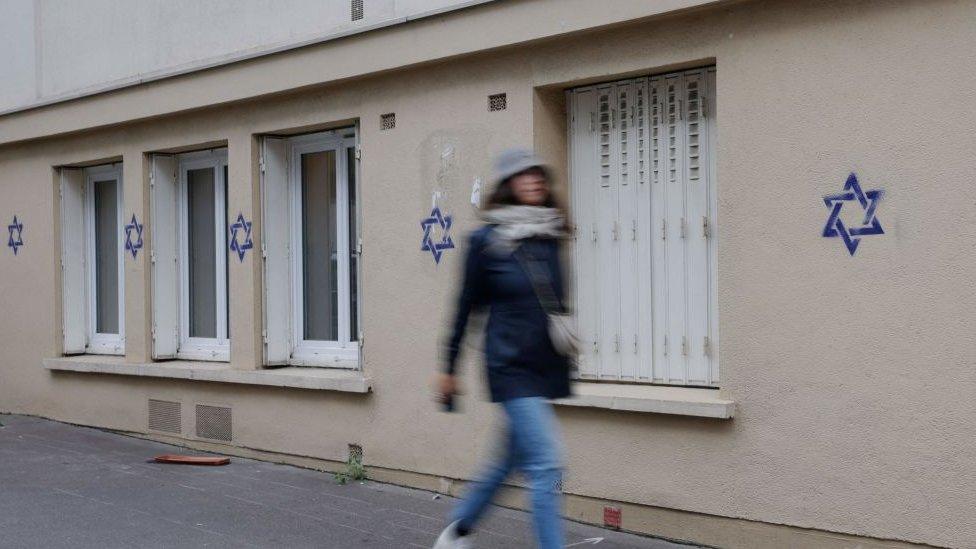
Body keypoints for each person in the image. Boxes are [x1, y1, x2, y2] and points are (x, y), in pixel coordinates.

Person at [433, 149, 572, 549]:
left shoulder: (549, 236)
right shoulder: (485, 241)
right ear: (509, 184)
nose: (534, 181)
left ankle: (457, 530)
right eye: (524, 176)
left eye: (538, 175)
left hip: (542, 368)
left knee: (509, 461)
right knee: (546, 463)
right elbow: (464, 307)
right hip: (508, 367)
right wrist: (448, 366)